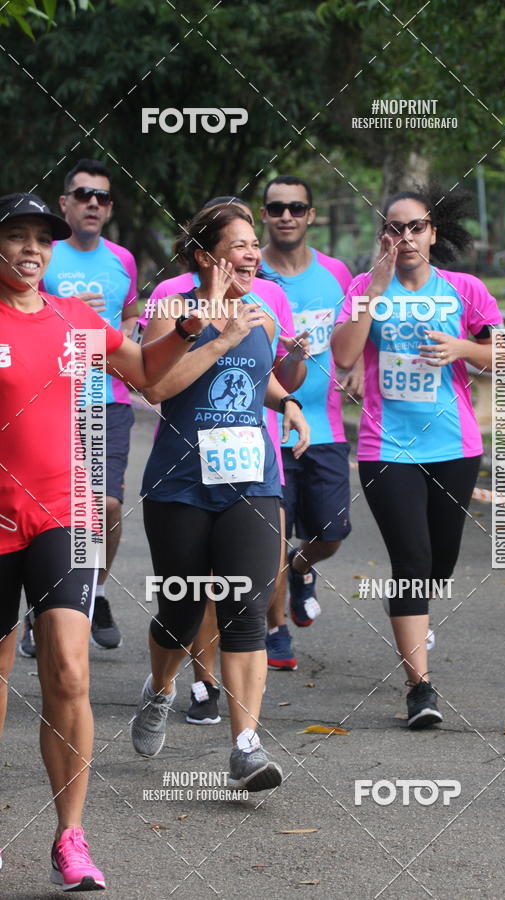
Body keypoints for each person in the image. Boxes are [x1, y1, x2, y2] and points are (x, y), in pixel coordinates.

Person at [0, 192, 212, 889]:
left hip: (66, 513)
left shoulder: (74, 318)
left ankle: (70, 838)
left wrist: (185, 332)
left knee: (68, 667)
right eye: (16, 237)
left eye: (41, 239)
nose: (30, 250)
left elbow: (147, 374)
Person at [131, 204, 310, 790]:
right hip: (179, 484)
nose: (254, 254)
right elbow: (155, 385)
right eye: (240, 244)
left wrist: (287, 401)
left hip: (251, 481)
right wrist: (218, 337)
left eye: (256, 244)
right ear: (206, 255)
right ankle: (160, 690)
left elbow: (258, 378)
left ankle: (245, 746)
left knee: (246, 610)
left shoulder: (259, 315)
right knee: (181, 612)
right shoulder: (172, 310)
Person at [331, 185, 503, 728]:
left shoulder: (464, 290)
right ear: (382, 235)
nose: (404, 238)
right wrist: (377, 284)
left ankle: (414, 617)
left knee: (437, 568)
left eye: (415, 228)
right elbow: (343, 354)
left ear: (433, 233)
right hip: (387, 448)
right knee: (410, 565)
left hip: (454, 445)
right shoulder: (363, 287)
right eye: (394, 228)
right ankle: (420, 689)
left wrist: (465, 350)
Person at [19, 159, 138, 654]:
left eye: (103, 197)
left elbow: (131, 315)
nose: (93, 203)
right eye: (83, 194)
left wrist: (121, 337)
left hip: (106, 399)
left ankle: (97, 591)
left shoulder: (123, 260)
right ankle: (42, 609)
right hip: (48, 397)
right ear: (64, 204)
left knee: (104, 505)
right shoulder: (44, 255)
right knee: (47, 510)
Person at [260, 175, 361, 638]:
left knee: (332, 534)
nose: (286, 216)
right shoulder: (253, 273)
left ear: (310, 215)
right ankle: (274, 631)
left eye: (296, 208)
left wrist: (359, 365)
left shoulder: (337, 273)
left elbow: (352, 335)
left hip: (325, 428)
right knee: (270, 538)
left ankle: (301, 567)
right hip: (266, 427)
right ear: (264, 215)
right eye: (277, 208)